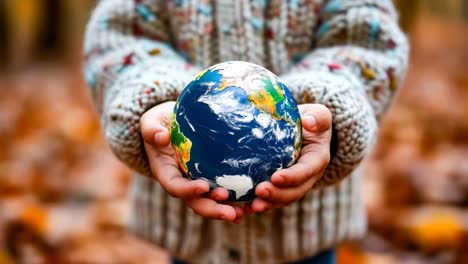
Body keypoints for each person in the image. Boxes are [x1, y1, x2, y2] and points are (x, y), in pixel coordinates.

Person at [84, 0, 408, 263]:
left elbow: (367, 39)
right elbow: (119, 38)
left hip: (309, 233)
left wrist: (324, 105)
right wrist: (155, 98)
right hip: (191, 232)